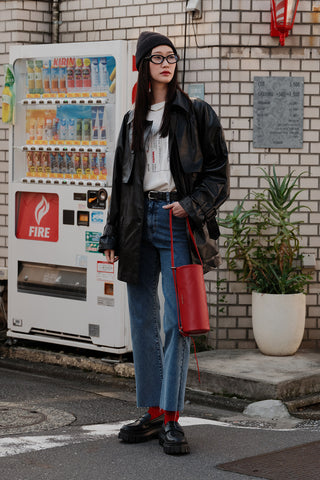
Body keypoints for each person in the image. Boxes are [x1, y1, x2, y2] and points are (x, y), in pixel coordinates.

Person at [99, 31, 229, 455]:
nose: (167, 62)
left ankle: (173, 418)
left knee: (178, 321)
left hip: (177, 222)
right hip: (138, 224)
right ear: (144, 64)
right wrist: (111, 234)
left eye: (171, 56)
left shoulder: (196, 113)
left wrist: (190, 205)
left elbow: (218, 176)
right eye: (158, 57)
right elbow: (121, 185)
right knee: (143, 321)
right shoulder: (131, 121)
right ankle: (153, 413)